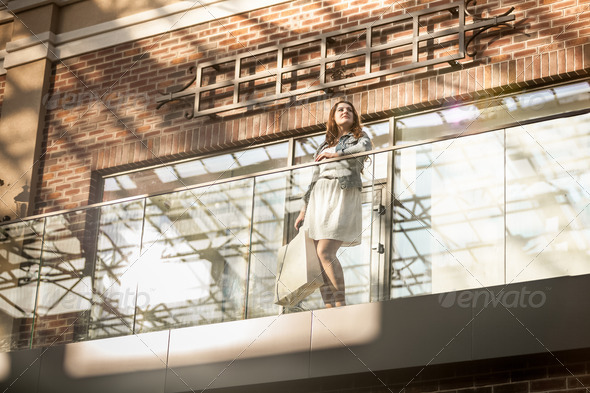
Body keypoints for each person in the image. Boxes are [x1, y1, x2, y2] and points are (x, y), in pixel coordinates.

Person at [294, 100, 372, 308]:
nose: (345, 112)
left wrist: (336, 154)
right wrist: (304, 209)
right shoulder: (322, 145)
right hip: (319, 196)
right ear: (333, 116)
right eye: (340, 110)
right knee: (319, 258)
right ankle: (329, 307)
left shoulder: (358, 137)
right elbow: (313, 179)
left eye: (349, 110)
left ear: (354, 117)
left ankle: (340, 303)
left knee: (325, 252)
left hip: (341, 191)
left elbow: (365, 148)